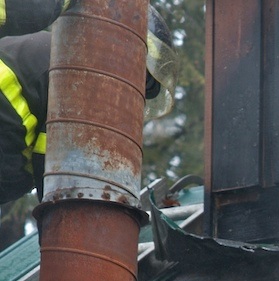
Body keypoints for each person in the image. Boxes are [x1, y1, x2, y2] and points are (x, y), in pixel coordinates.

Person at [0, 4, 178, 205]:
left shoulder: (64, 53)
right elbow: (51, 160)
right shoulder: (82, 71)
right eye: (138, 78)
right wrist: (57, 216)